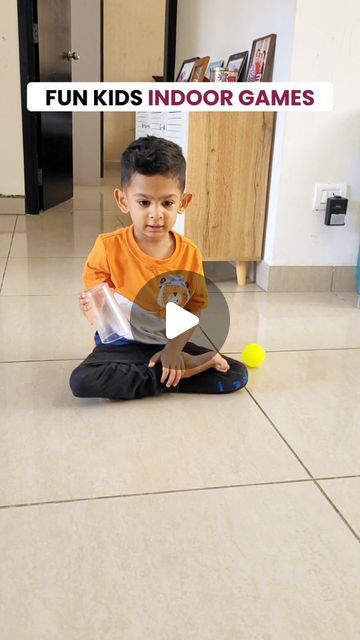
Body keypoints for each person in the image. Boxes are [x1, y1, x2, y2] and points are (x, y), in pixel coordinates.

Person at [69, 136, 248, 400]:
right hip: (122, 344)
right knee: (82, 381)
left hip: (166, 341)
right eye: (143, 203)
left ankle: (167, 370)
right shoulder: (107, 247)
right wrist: (93, 308)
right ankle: (175, 374)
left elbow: (193, 309)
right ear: (123, 200)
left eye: (167, 203)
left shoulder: (189, 254)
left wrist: (174, 350)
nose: (156, 214)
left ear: (183, 203)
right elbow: (98, 308)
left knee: (236, 373)